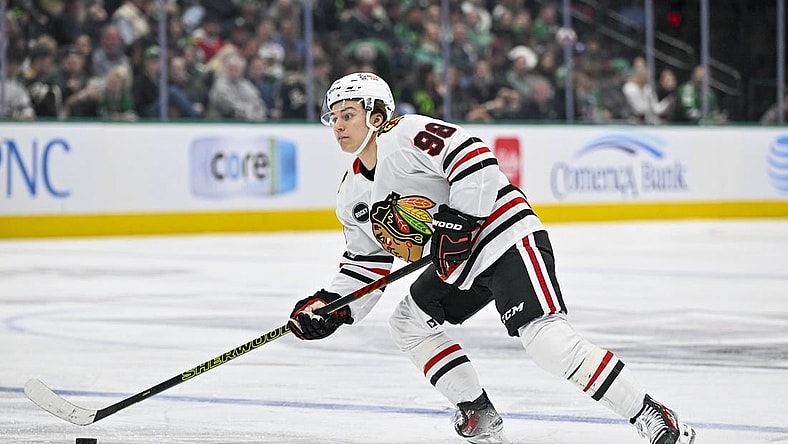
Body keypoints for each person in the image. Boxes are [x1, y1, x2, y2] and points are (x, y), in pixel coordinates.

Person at [287, 72, 697, 444]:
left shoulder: (406, 134)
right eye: (333, 117)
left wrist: (462, 220)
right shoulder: (352, 194)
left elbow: (474, 157)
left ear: (377, 115)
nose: (337, 125)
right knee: (408, 322)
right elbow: (367, 265)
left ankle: (651, 414)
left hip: (503, 237)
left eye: (347, 114)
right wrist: (332, 305)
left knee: (545, 340)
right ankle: (477, 412)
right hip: (458, 262)